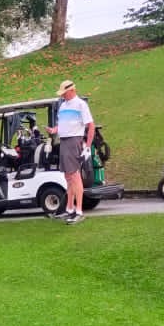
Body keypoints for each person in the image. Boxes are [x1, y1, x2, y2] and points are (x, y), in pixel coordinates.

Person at [46, 79, 94, 225]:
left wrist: (87, 146)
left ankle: (78, 211)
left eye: (64, 93)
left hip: (74, 140)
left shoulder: (80, 104)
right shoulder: (63, 106)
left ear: (72, 90)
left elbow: (90, 126)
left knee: (74, 176)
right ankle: (69, 208)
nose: (62, 95)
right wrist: (53, 130)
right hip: (64, 141)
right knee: (68, 176)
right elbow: (61, 125)